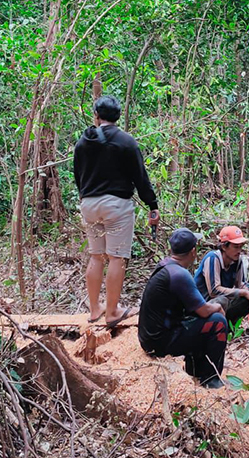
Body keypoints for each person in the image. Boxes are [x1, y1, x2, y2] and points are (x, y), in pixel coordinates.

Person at [74, 95, 161, 328]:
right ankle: (112, 311)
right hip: (116, 206)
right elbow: (140, 178)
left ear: (96, 115)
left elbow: (77, 175)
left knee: (95, 255)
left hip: (89, 204)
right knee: (116, 256)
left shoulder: (82, 142)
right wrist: (152, 205)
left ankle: (95, 310)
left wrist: (86, 196)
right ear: (118, 116)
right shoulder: (126, 141)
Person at [138, 228, 228, 389]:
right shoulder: (179, 274)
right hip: (160, 342)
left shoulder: (166, 266)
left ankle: (196, 370)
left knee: (201, 320)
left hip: (151, 338)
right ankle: (210, 378)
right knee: (218, 322)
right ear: (193, 251)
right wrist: (218, 307)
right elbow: (204, 311)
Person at [193, 226, 249, 324]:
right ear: (224, 247)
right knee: (223, 300)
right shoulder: (213, 258)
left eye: (241, 247)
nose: (239, 251)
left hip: (222, 302)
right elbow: (214, 291)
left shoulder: (237, 261)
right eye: (235, 247)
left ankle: (229, 326)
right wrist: (244, 292)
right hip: (204, 305)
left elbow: (240, 284)